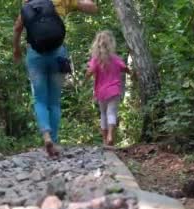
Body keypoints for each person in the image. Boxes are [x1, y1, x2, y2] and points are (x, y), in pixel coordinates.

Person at [13, 0, 98, 158]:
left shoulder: (28, 6)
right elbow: (92, 7)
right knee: (54, 101)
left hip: (35, 56)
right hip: (58, 54)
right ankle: (55, 141)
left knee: (40, 99)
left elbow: (17, 28)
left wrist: (16, 49)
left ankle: (46, 136)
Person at [86, 30, 131, 147]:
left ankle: (105, 140)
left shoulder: (95, 59)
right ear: (111, 43)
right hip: (114, 91)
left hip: (101, 92)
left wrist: (85, 78)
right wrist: (133, 74)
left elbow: (90, 71)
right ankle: (111, 135)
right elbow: (125, 68)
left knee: (103, 114)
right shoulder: (115, 58)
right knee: (111, 113)